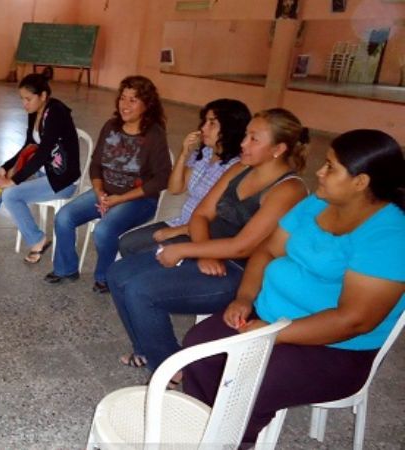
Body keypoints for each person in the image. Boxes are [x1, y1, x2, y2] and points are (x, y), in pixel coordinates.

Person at [182, 129, 405, 446]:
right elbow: (268, 250)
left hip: (333, 347)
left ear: (361, 182)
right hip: (268, 315)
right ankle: (206, 427)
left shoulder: (390, 237)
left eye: (331, 167)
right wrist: (244, 298)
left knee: (249, 381)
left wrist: (274, 334)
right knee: (198, 346)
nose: (319, 172)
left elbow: (354, 320)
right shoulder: (317, 203)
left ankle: (230, 438)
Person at [106, 108, 310, 379]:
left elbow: (243, 247)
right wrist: (204, 254)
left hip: (239, 271)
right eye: (246, 135)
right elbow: (201, 214)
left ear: (278, 149)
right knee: (117, 273)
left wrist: (185, 249)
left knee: (140, 291)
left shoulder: (289, 189)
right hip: (208, 253)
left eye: (254, 139)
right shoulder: (240, 168)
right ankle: (149, 351)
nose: (243, 143)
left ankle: (172, 371)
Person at [45, 76, 171, 293]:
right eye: (123, 98)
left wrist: (119, 199)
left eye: (133, 100)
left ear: (147, 104)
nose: (125, 105)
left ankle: (105, 277)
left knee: (103, 231)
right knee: (64, 217)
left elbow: (162, 179)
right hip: (105, 193)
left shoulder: (154, 135)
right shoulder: (111, 126)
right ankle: (66, 269)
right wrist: (99, 192)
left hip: (138, 200)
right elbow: (96, 164)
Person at [118, 98, 250, 257]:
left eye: (212, 124)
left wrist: (177, 231)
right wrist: (183, 153)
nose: (203, 128)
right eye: (204, 122)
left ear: (230, 129)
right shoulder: (205, 154)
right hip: (181, 221)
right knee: (126, 243)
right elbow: (175, 189)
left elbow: (219, 220)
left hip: (202, 234)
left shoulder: (236, 168)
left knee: (144, 255)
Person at [0, 73, 81, 263]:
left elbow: (42, 153)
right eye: (22, 99)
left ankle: (38, 240)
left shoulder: (56, 112)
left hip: (62, 179)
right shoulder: (35, 111)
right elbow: (28, 146)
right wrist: (5, 167)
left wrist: (14, 180)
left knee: (10, 194)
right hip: (43, 172)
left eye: (28, 99)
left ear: (43, 96)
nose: (24, 104)